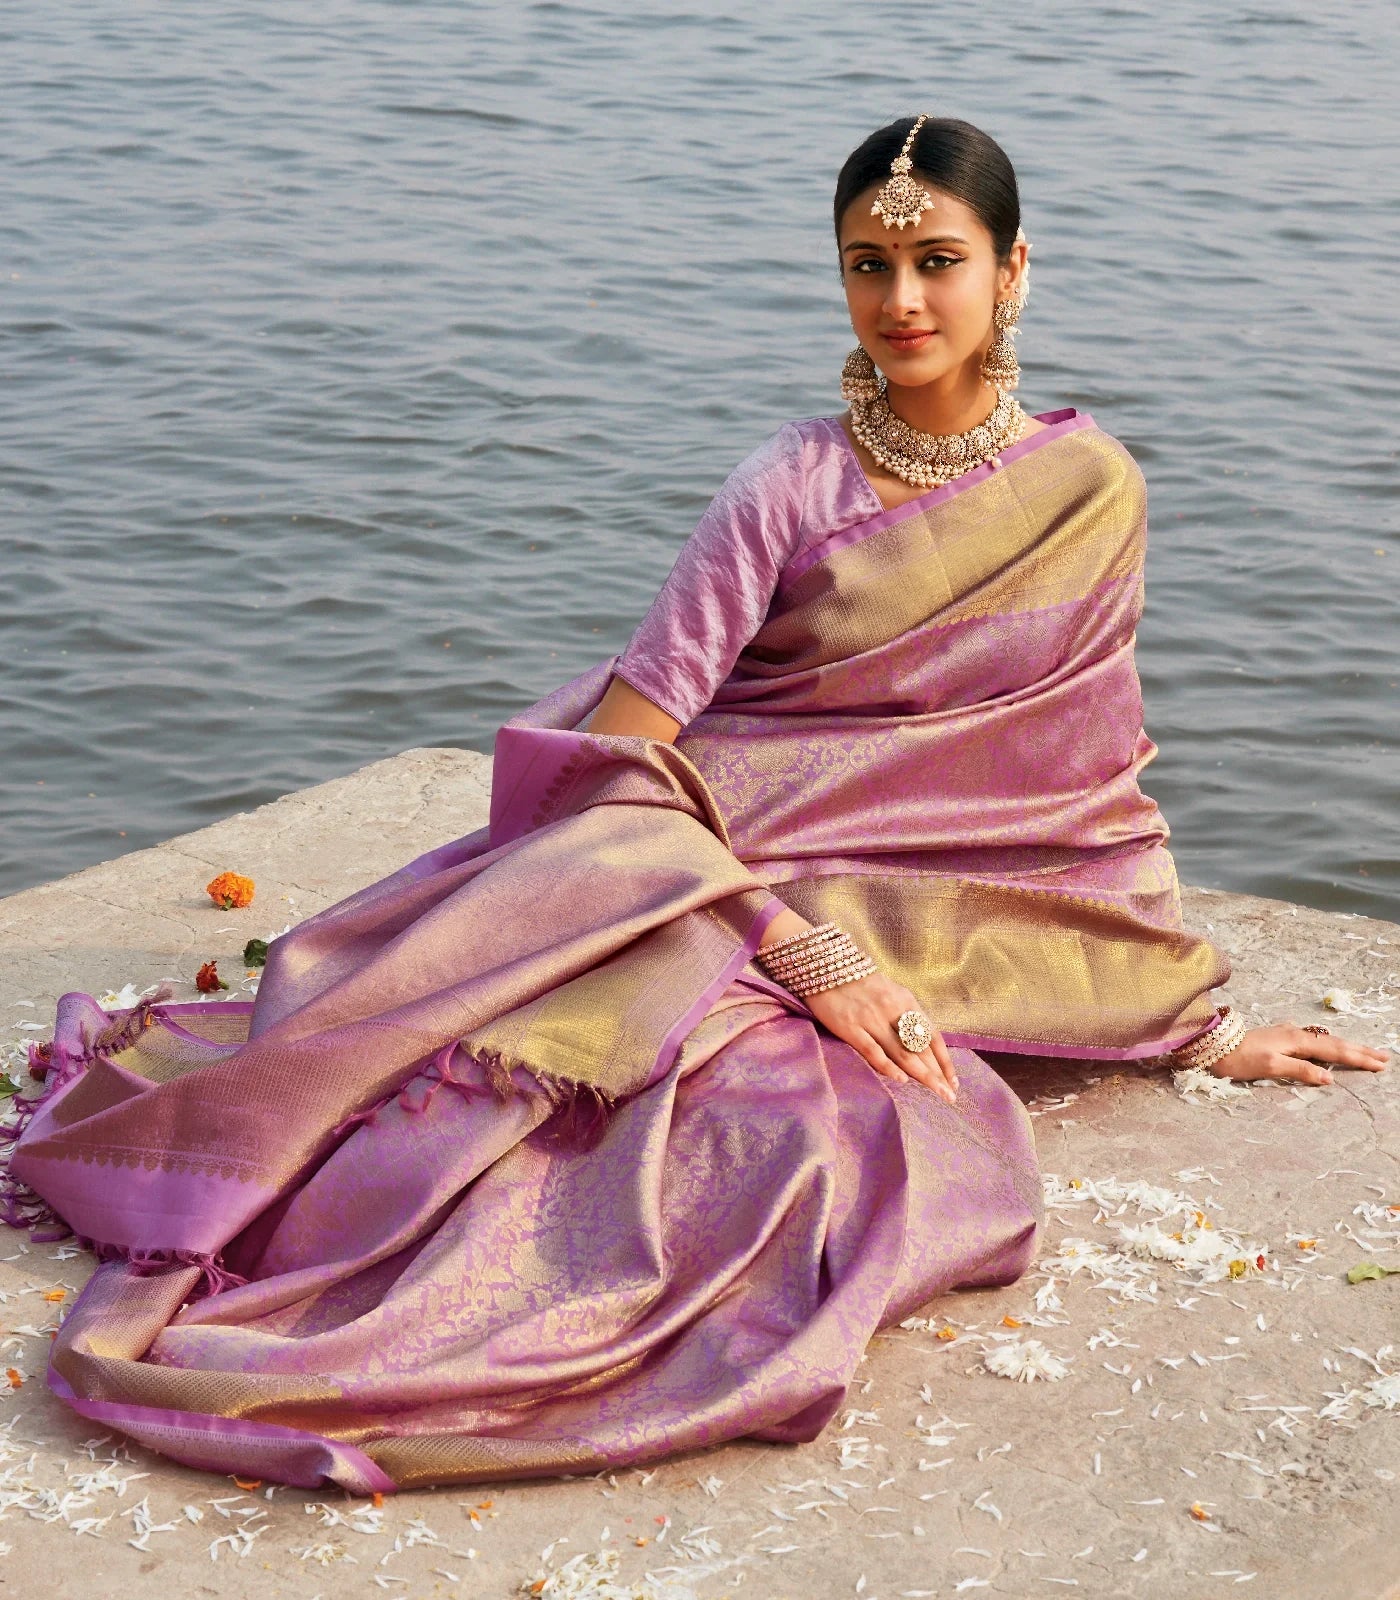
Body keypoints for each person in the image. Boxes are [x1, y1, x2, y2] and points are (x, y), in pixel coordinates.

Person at [4, 115, 1387, 1495]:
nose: (902, 300)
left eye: (938, 261)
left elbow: (1081, 775)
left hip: (920, 907)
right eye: (867, 263)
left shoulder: (1088, 491)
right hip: (703, 879)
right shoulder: (789, 484)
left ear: (1014, 268)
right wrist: (793, 948)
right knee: (724, 1130)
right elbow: (622, 754)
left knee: (869, 1155)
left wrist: (1189, 1018)